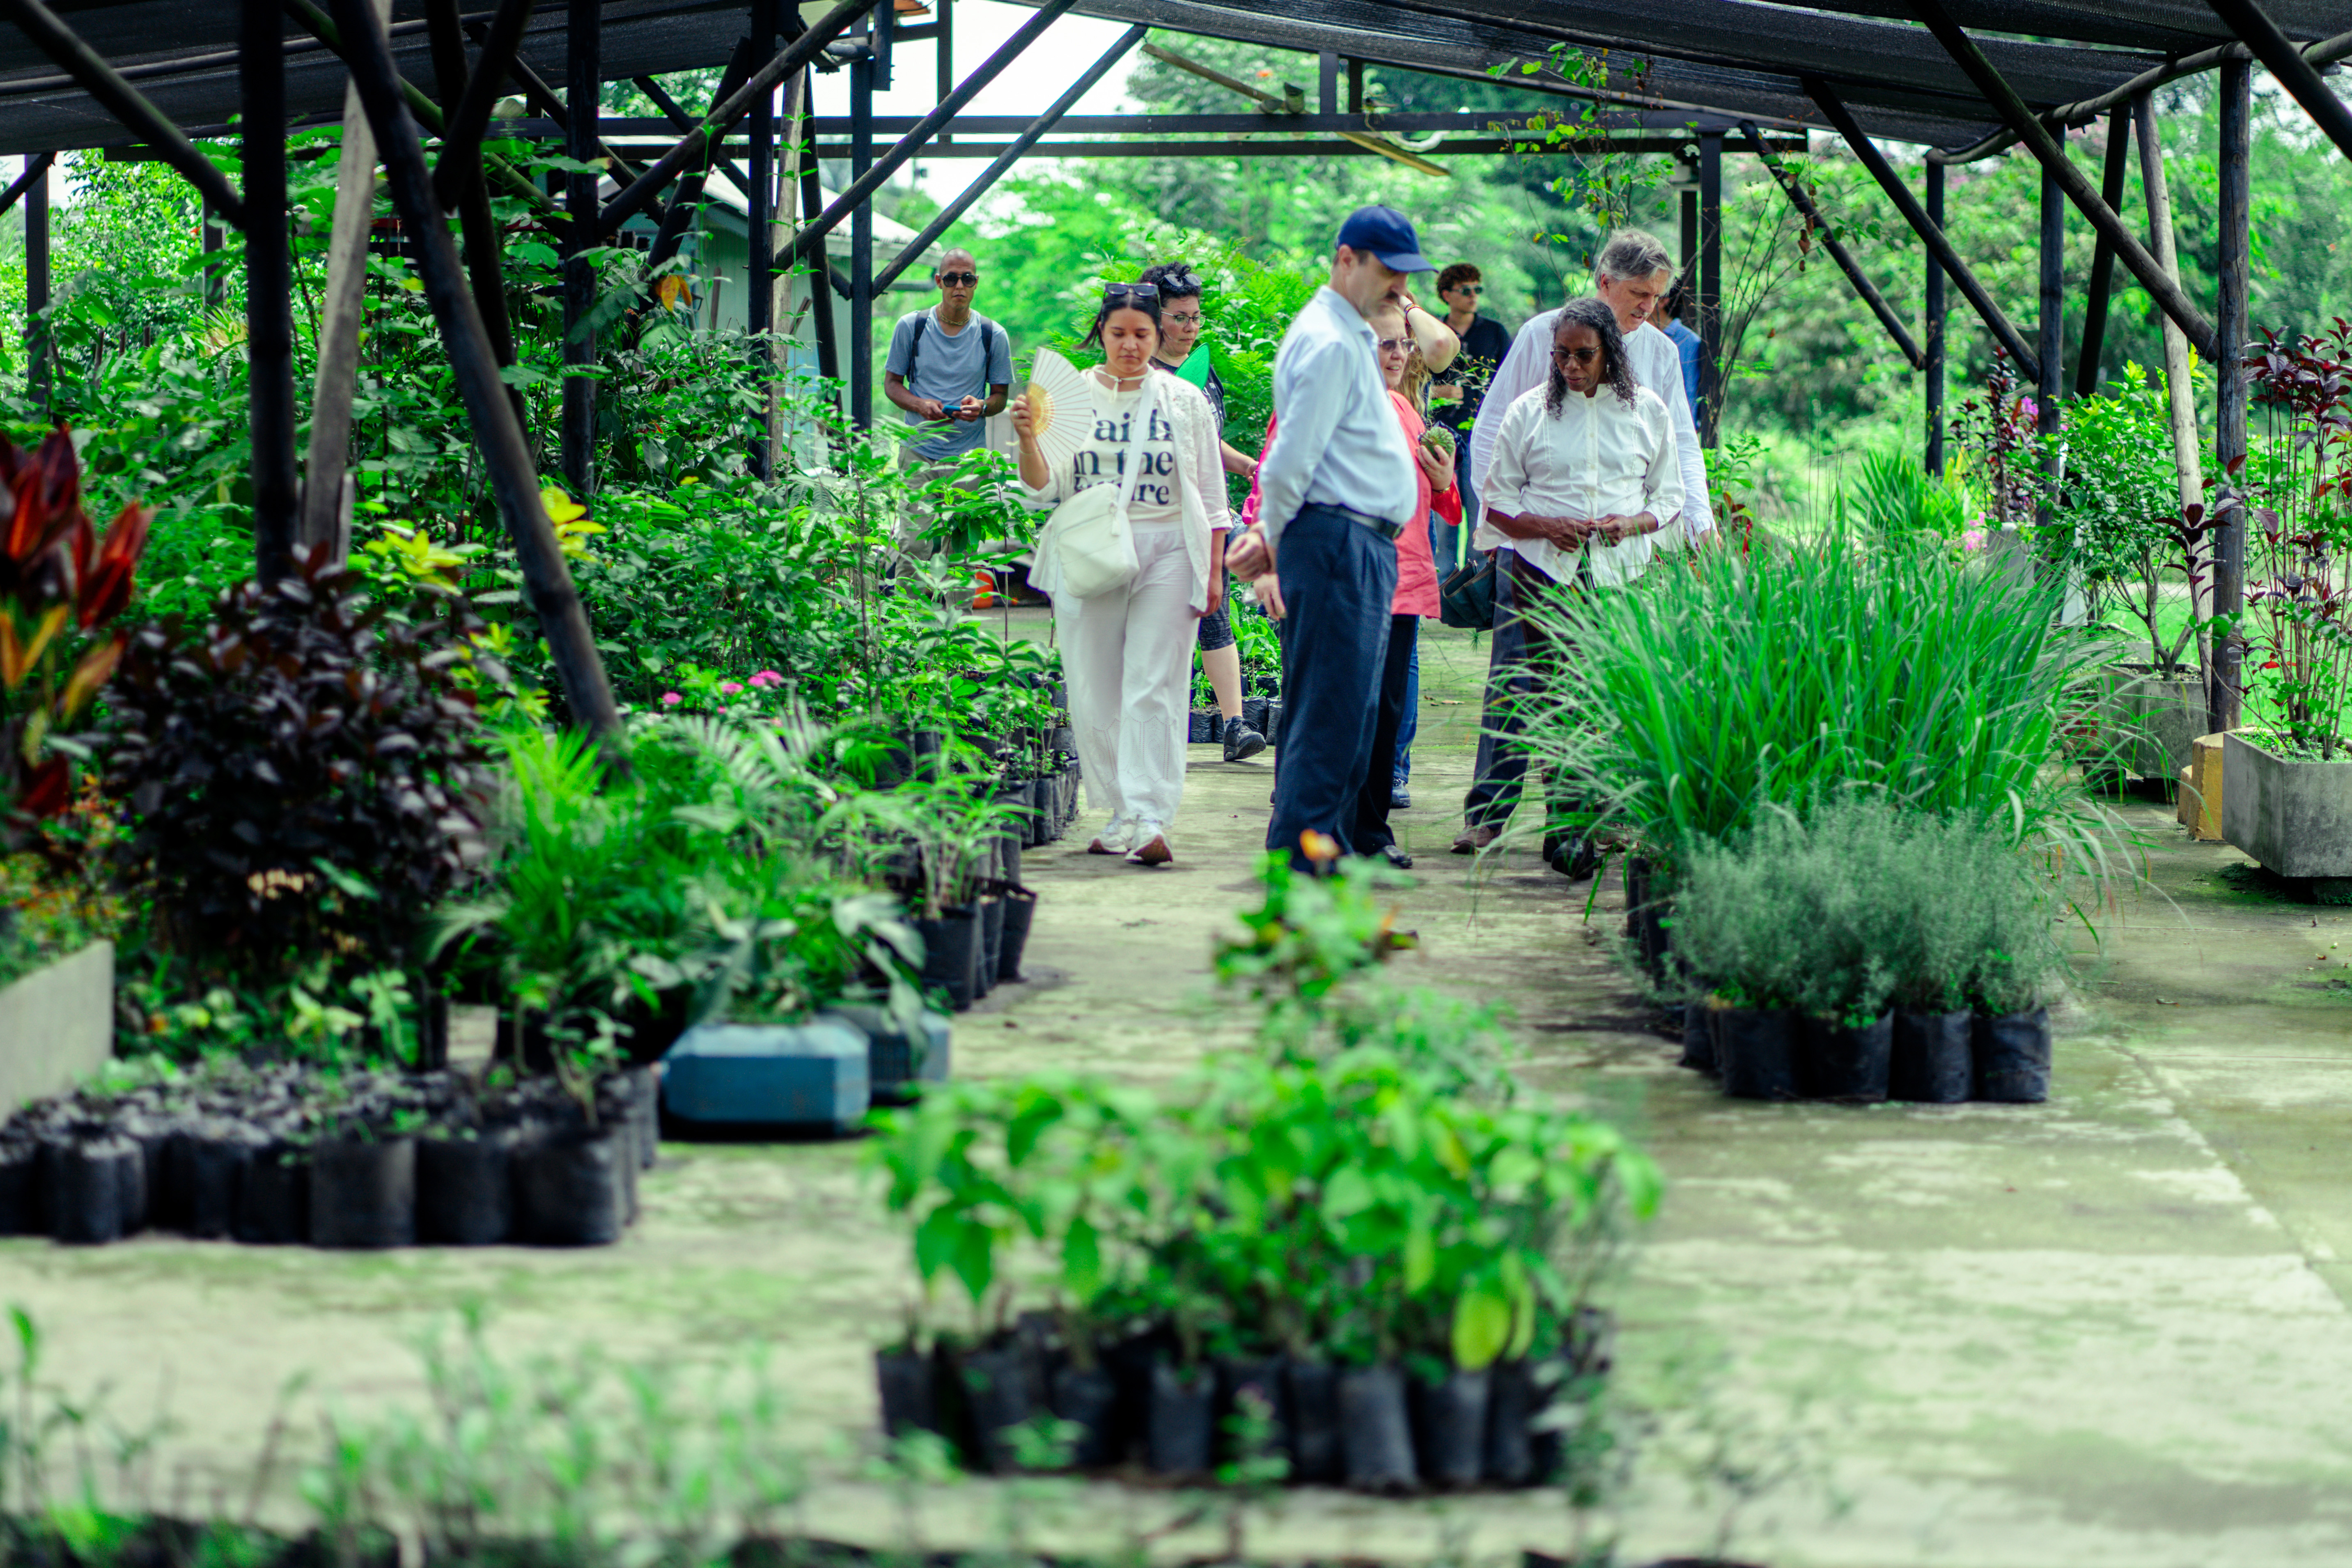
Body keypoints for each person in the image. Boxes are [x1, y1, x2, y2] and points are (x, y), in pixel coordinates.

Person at [1456, 229, 1711, 854]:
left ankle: (1590, 813)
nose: (1648, 305)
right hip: (1535, 549)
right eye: (1637, 293)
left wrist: (1696, 526)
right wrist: (1496, 529)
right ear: (1604, 282)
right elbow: (1492, 429)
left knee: (1605, 685)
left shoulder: (1655, 355)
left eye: (1656, 295)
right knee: (1516, 682)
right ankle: (1488, 813)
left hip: (1619, 558)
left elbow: (1679, 442)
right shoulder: (1545, 334)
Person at [1226, 206, 1433, 870]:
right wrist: (1267, 534)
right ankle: (1302, 868)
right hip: (1335, 540)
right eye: (1389, 271)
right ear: (1346, 258)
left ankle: (1324, 855)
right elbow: (1291, 454)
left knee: (1349, 711)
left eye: (1406, 276)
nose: (1399, 288)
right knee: (1328, 714)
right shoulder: (1325, 339)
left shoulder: (1345, 334)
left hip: (1357, 543)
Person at [1012, 281, 1228, 867]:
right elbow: (1042, 486)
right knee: (1094, 686)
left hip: (1170, 549)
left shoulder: (1184, 401)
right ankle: (1118, 812)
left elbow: (1211, 493)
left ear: (1159, 337)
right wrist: (1029, 436)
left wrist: (1214, 572)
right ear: (1100, 334)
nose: (1130, 345)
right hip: (1093, 550)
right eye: (1118, 333)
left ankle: (1150, 813)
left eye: (1142, 334)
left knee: (1154, 682)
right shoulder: (1071, 397)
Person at [1139, 261, 1267, 763]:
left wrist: (1253, 468)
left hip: (1211, 513)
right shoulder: (1141, 377)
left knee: (1216, 608)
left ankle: (1235, 725)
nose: (1190, 328)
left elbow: (1209, 443)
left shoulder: (1201, 369)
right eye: (1179, 318)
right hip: (1162, 518)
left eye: (1195, 317)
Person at [1354, 298, 1453, 870]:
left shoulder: (1404, 408)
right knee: (1350, 707)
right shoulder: (1334, 406)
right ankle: (1331, 827)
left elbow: (1440, 498)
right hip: (1355, 577)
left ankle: (1372, 828)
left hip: (1406, 577)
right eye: (1385, 343)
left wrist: (1443, 480)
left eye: (1403, 344)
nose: (1399, 355)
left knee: (1388, 707)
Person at [883, 248, 1013, 478]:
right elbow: (892, 384)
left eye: (968, 279)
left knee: (967, 516)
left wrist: (981, 406)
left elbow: (1001, 397)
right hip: (918, 452)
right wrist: (920, 405)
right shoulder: (911, 326)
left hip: (969, 458)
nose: (960, 286)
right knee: (916, 516)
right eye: (951, 279)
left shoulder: (993, 334)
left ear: (976, 283)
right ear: (939, 282)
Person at [1427, 262, 1514, 526]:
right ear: (1447, 295)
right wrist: (1434, 392)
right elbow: (1412, 380)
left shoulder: (1495, 332)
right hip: (1438, 436)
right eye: (1466, 290)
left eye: (1478, 289)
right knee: (1443, 519)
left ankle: (1477, 570)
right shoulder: (1432, 332)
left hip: (1483, 434)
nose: (1474, 296)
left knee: (1480, 516)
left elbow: (1510, 382)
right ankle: (1445, 570)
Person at [1659, 280, 1703, 426]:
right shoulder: (1638, 333)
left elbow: (1690, 390)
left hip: (1676, 428)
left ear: (1663, 301)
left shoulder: (1689, 341)